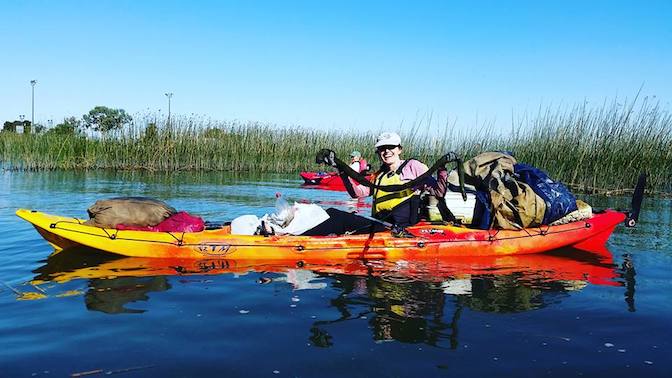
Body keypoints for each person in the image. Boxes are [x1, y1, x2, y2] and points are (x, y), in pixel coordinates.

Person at [342, 131, 446, 228]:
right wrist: (343, 173)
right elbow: (357, 194)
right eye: (382, 148)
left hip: (402, 230)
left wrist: (442, 170)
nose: (387, 151)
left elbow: (438, 192)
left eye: (391, 147)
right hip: (379, 227)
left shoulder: (413, 166)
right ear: (378, 152)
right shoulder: (379, 175)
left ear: (399, 149)